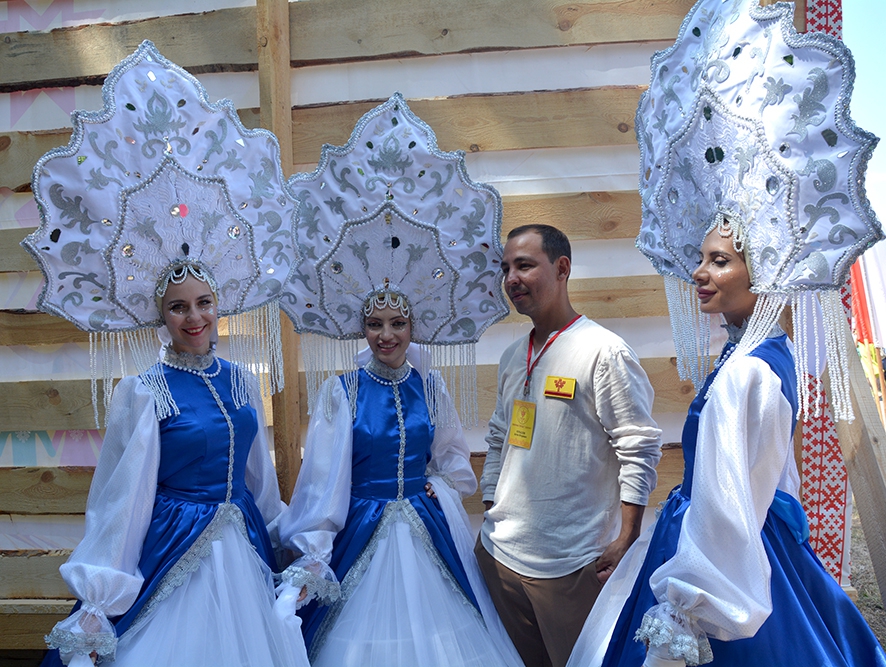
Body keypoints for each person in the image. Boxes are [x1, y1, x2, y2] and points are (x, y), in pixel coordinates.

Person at [567, 1, 886, 665]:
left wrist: (683, 618)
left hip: (722, 572)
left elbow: (727, 508)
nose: (699, 272)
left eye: (719, 260)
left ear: (758, 270)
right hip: (755, 554)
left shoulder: (745, 372)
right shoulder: (762, 354)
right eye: (701, 258)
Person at [23, 41, 310, 666]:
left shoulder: (240, 379)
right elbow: (121, 500)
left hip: (246, 546)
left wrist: (290, 543)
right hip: (175, 548)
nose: (194, 318)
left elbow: (258, 478)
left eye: (204, 303)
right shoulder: (144, 392)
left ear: (219, 303)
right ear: (160, 314)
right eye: (179, 307)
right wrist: (99, 594)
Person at [273, 291, 523, 667]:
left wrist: (442, 483)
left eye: (397, 323)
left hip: (425, 524)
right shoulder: (343, 391)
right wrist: (314, 550)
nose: (386, 335)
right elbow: (322, 480)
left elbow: (452, 454)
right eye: (375, 324)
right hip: (362, 525)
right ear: (363, 329)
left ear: (412, 327)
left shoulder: (430, 386)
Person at [475, 223, 663, 667]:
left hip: (570, 564)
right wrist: (490, 502)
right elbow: (501, 437)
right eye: (505, 269)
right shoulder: (513, 356)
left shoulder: (604, 352)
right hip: (500, 556)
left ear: (562, 268)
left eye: (525, 265)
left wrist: (627, 536)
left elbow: (638, 447)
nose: (511, 279)